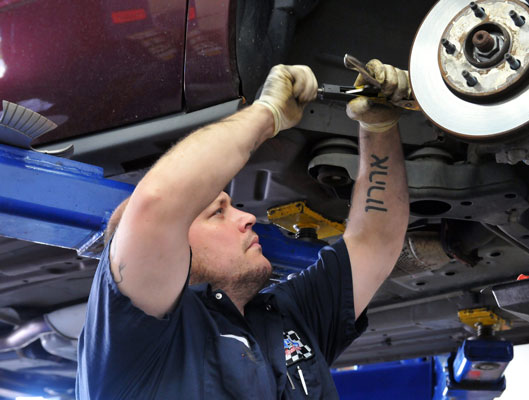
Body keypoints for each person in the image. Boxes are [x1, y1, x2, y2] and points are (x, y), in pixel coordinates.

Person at [76, 60, 410, 399]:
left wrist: (379, 126)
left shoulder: (286, 316)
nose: (247, 218)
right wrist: (265, 114)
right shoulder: (133, 345)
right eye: (217, 212)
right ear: (171, 247)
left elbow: (375, 242)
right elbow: (155, 204)